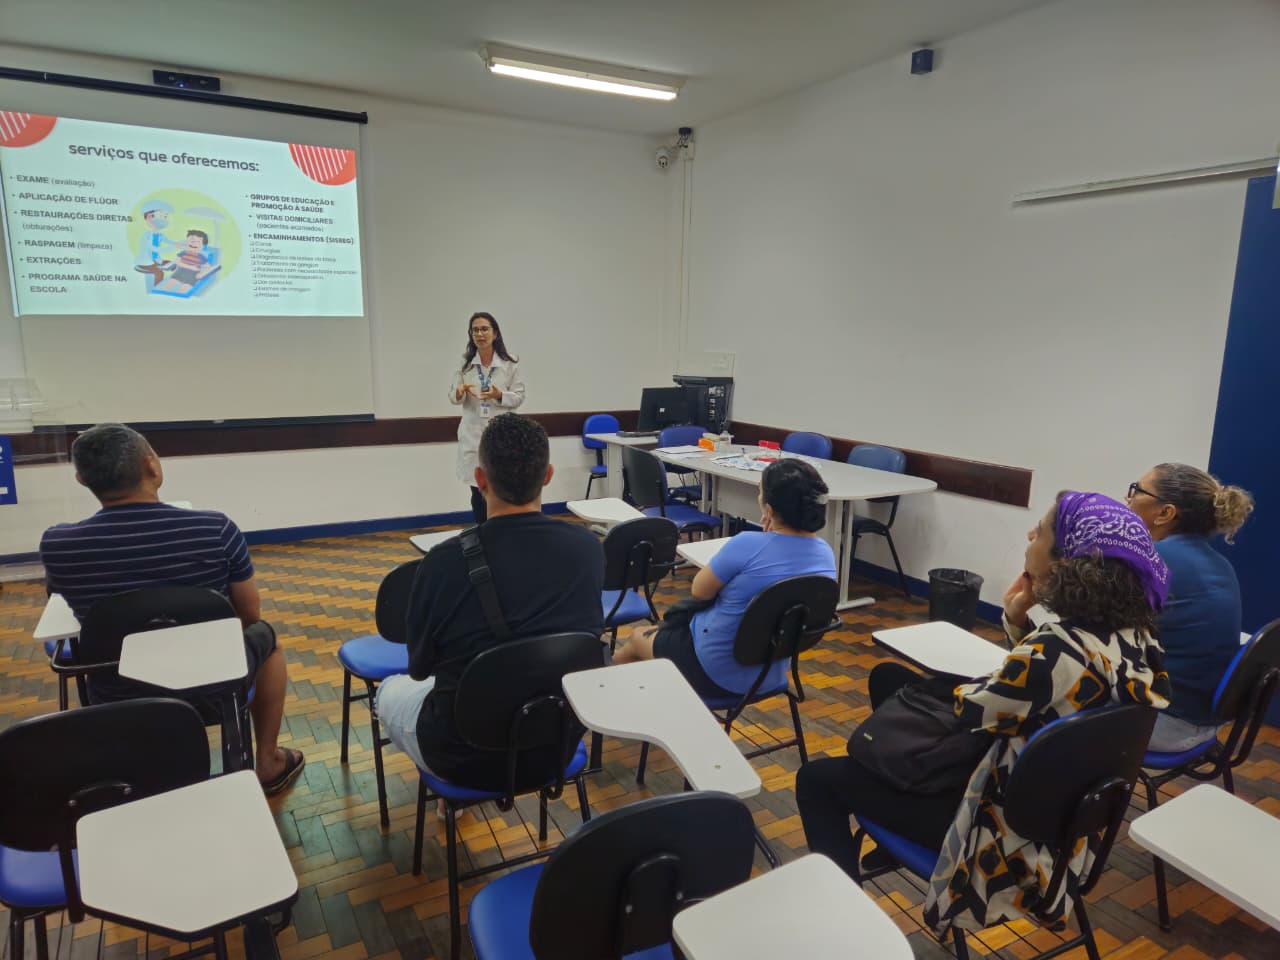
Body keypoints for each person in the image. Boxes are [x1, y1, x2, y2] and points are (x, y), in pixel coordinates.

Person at [797, 492, 1171, 934]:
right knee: (894, 682)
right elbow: (1041, 690)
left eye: (1044, 530)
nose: (1031, 535)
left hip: (995, 833)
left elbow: (972, 710)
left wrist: (1010, 634)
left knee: (817, 780)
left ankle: (843, 921)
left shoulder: (1054, 649)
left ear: (1069, 562)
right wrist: (1018, 617)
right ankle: (894, 825)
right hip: (1062, 822)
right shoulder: (1138, 640)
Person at [39, 423, 304, 795]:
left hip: (117, 695)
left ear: (82, 479)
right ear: (153, 468)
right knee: (269, 641)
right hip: (214, 690)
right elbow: (249, 615)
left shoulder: (59, 545)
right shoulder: (216, 529)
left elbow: (68, 605)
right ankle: (267, 761)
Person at [376, 413, 604, 789]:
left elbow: (419, 669)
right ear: (547, 476)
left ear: (480, 479)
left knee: (389, 689)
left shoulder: (441, 563)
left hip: (459, 756)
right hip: (553, 746)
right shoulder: (587, 550)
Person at [613, 458, 837, 698]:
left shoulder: (747, 544)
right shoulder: (825, 552)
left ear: (769, 510)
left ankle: (602, 699)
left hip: (714, 669)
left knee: (637, 638)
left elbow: (699, 591)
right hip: (771, 670)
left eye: (760, 492)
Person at [1126, 463, 1254, 752]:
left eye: (1136, 490)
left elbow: (1086, 631)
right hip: (1206, 720)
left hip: (1163, 723)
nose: (1128, 499)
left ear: (1165, 513)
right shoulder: (1220, 564)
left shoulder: (1152, 559)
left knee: (1047, 692)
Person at [448, 312, 524, 523]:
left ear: (495, 333)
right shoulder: (465, 365)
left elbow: (519, 397)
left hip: (500, 435)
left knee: (501, 489)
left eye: (484, 329)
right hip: (473, 435)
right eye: (475, 330)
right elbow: (453, 397)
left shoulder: (510, 364)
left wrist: (499, 394)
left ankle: (502, 533)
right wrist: (460, 391)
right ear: (471, 335)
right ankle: (483, 535)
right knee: (477, 492)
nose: (480, 334)